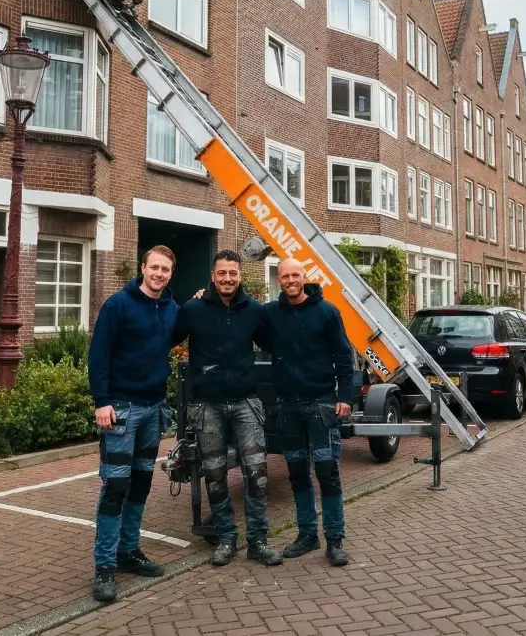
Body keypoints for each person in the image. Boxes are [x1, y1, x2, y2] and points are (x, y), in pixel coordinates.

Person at [172, 250, 283, 568]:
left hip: (246, 402)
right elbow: (166, 336)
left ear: (240, 275)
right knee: (215, 474)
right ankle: (225, 538)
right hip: (207, 405)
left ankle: (258, 541)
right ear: (212, 275)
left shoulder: (254, 310)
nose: (228, 279)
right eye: (222, 273)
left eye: (233, 273)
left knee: (257, 473)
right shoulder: (193, 308)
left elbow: (277, 341)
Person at [87, 245, 179, 603]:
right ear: (143, 268)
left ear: (171, 274)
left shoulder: (172, 309)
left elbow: (184, 330)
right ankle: (105, 567)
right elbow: (99, 355)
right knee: (115, 486)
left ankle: (129, 551)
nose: (159, 274)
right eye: (154, 267)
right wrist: (101, 401)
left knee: (140, 483)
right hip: (122, 408)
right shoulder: (118, 305)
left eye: (165, 270)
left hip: (155, 409)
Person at [263, 257, 354, 567]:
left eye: (295, 275)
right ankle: (306, 534)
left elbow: (344, 356)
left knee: (327, 473)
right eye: (284, 275)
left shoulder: (327, 312)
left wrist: (346, 396)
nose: (290, 280)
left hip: (321, 403)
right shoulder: (271, 314)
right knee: (297, 473)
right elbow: (240, 313)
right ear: (279, 279)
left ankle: (335, 539)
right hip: (288, 406)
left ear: (304, 277)